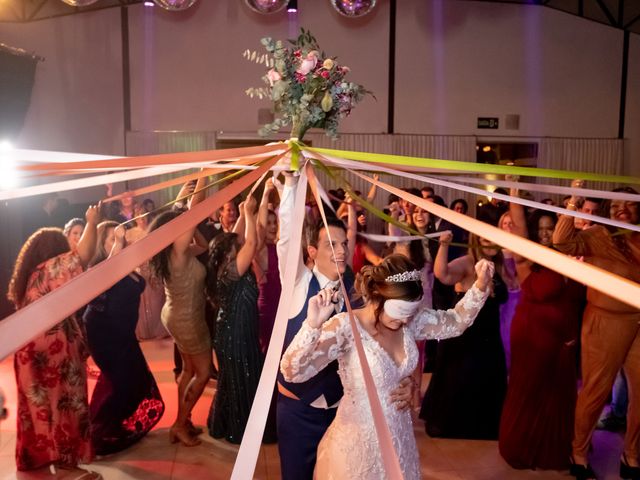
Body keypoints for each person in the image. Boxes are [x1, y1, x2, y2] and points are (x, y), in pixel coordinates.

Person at [281, 254, 493, 479]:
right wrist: (313, 325)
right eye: (400, 313)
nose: (404, 321)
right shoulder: (346, 328)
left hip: (399, 440)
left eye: (409, 314)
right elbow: (292, 372)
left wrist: (480, 284)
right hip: (357, 446)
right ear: (377, 296)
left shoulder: (410, 322)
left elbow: (456, 322)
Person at [276, 174, 413, 480]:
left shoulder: (355, 289)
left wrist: (402, 382)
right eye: (330, 245)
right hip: (299, 413)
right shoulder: (298, 284)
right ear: (311, 252)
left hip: (344, 415)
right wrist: (289, 184)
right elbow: (286, 237)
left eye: (342, 244)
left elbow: (385, 334)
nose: (340, 250)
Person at [553, 182, 640, 480]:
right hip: (605, 322)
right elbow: (561, 241)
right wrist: (573, 202)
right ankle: (578, 452)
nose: (622, 209)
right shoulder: (598, 235)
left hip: (639, 324)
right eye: (615, 204)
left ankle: (632, 456)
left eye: (628, 203)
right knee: (595, 391)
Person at [7, 205, 99, 477]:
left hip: (28, 353)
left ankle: (38, 459)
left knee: (37, 409)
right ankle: (66, 464)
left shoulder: (32, 275)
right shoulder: (50, 268)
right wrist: (92, 221)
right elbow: (83, 255)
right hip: (52, 353)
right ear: (54, 250)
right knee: (65, 405)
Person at [498, 192, 584, 470]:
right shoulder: (527, 257)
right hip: (532, 336)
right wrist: (513, 195)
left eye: (551, 228)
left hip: (561, 338)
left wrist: (573, 201)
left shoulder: (569, 258)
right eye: (541, 229)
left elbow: (572, 302)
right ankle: (522, 448)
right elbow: (520, 225)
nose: (546, 234)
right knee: (530, 391)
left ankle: (554, 449)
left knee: (558, 393)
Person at [84, 222, 164, 455]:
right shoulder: (100, 268)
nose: (118, 242)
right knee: (123, 384)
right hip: (105, 334)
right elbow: (109, 272)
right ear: (103, 244)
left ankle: (111, 423)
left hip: (123, 335)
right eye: (111, 239)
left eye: (119, 239)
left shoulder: (125, 263)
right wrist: (119, 244)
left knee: (136, 380)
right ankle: (101, 432)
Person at [421, 231, 509, 439]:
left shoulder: (500, 265)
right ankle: (454, 425)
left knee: (486, 375)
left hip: (489, 332)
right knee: (459, 374)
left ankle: (486, 426)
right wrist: (444, 245)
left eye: (494, 239)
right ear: (477, 239)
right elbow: (442, 274)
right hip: (466, 332)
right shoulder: (469, 262)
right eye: (486, 238)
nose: (490, 243)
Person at [206, 193, 275, 443]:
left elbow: (251, 239)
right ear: (228, 253)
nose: (243, 243)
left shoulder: (231, 264)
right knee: (242, 377)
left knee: (239, 378)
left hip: (237, 328)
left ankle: (231, 424)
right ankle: (241, 429)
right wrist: (247, 210)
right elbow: (251, 242)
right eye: (237, 245)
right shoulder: (232, 269)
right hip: (234, 333)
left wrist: (264, 198)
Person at [149, 176, 210, 447]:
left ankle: (182, 421)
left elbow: (204, 246)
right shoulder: (177, 253)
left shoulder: (176, 251)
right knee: (204, 372)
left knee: (187, 370)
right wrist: (204, 176)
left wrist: (183, 210)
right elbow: (195, 212)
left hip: (177, 313)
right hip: (186, 318)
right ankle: (179, 424)